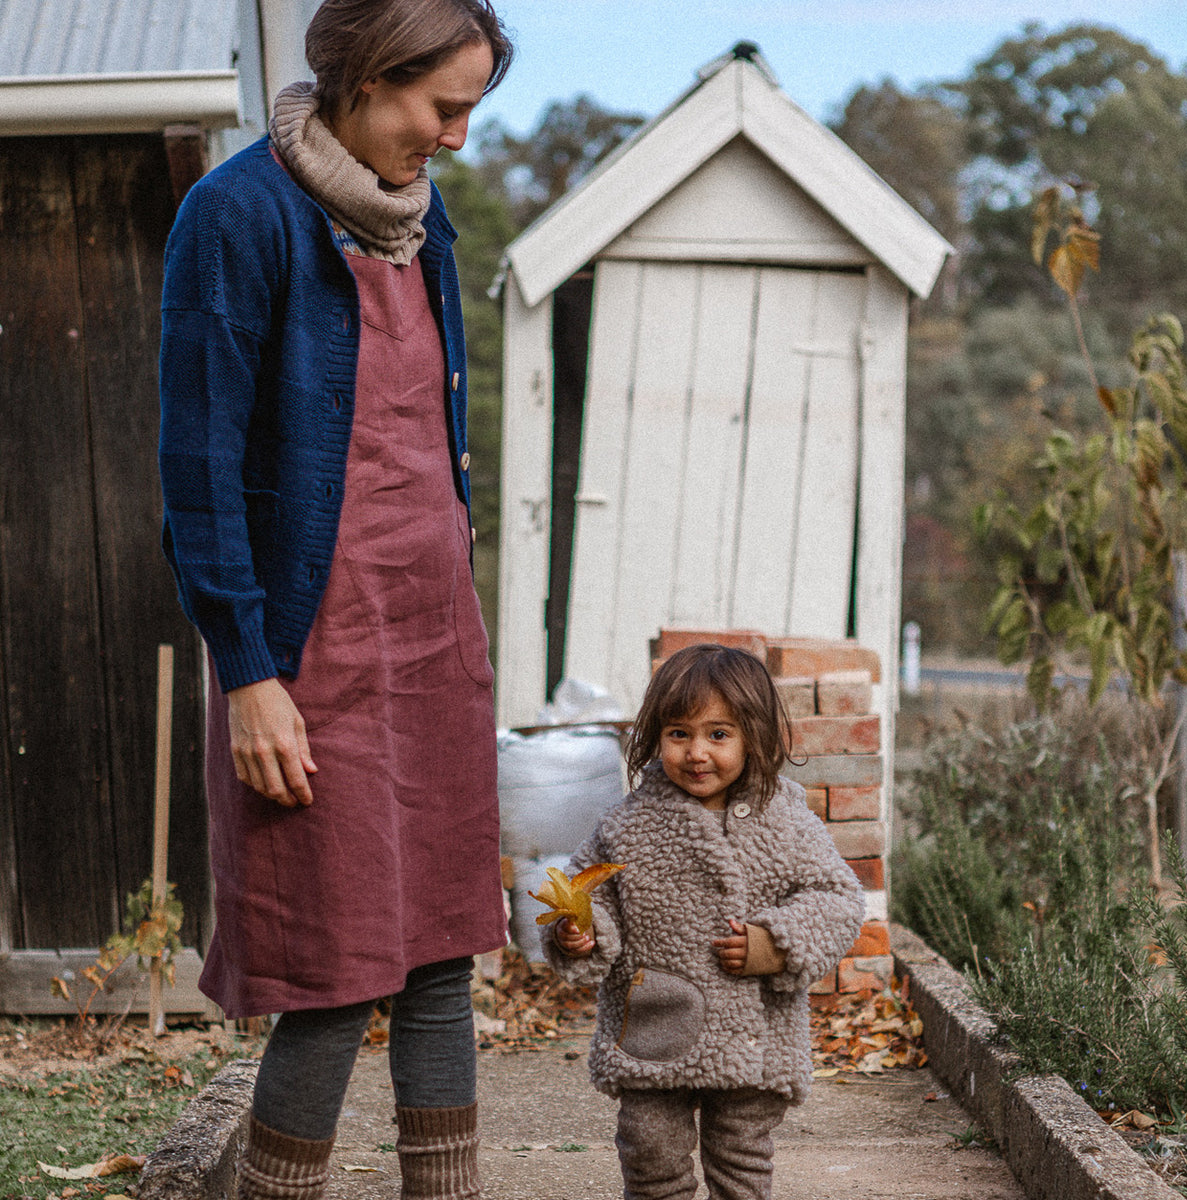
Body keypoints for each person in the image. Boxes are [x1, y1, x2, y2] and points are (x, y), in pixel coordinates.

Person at [157, 3, 514, 1197]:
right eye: (440, 107)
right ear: (366, 78)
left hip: (432, 636)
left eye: (470, 110)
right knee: (332, 973)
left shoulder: (422, 221)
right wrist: (248, 674)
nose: (455, 138)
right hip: (312, 655)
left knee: (442, 960)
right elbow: (198, 470)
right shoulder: (239, 214)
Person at [542, 644, 865, 1200]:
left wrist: (773, 944)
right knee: (648, 1150)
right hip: (656, 1022)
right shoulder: (629, 825)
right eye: (678, 733)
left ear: (754, 737)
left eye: (719, 734)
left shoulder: (784, 820)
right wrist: (580, 932)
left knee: (741, 1159)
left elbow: (838, 899)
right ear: (656, 737)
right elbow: (587, 891)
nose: (697, 752)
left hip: (756, 1034)